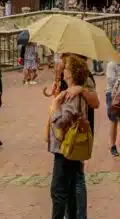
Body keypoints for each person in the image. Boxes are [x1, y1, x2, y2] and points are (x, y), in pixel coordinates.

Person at [48, 54, 94, 219]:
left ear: (71, 73)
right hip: (69, 145)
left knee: (58, 191)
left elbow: (60, 121)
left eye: (66, 67)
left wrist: (54, 106)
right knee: (70, 188)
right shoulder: (69, 91)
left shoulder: (72, 95)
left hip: (65, 146)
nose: (63, 68)